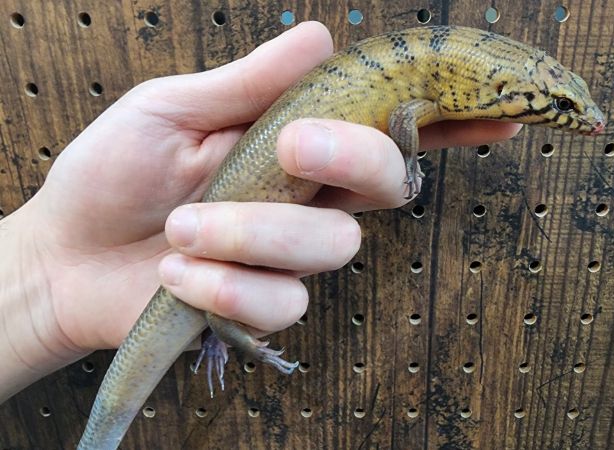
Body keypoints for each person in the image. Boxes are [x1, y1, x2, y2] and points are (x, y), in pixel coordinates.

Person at [0, 21, 521, 402]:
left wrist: (47, 287)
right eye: (558, 105)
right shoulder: (430, 98)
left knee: (220, 280)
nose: (565, 119)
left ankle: (221, 331)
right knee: (217, 283)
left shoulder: (441, 96)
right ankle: (224, 333)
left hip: (211, 236)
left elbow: (409, 114)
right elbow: (406, 116)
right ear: (500, 89)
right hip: (212, 231)